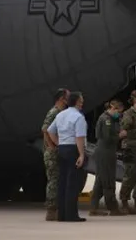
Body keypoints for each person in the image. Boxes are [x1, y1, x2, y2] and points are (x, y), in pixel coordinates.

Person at [46, 91, 88, 222]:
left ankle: (62, 215)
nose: (82, 102)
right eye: (81, 100)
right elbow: (79, 137)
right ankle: (71, 215)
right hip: (73, 148)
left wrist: (59, 143)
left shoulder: (60, 115)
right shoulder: (78, 117)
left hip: (63, 149)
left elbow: (50, 131)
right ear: (76, 102)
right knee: (73, 183)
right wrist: (81, 154)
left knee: (62, 182)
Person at [89, 99, 126, 216]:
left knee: (101, 180)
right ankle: (112, 207)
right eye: (119, 111)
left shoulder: (111, 119)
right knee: (108, 179)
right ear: (113, 108)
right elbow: (107, 138)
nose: (119, 114)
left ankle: (94, 207)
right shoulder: (106, 120)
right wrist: (120, 135)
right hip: (105, 152)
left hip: (108, 151)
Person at [41, 88, 69, 221]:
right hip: (52, 153)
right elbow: (45, 129)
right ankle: (51, 211)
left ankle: (57, 208)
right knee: (54, 180)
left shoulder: (62, 113)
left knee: (58, 180)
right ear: (61, 98)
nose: (69, 99)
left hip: (58, 151)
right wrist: (52, 147)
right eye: (67, 97)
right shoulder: (54, 112)